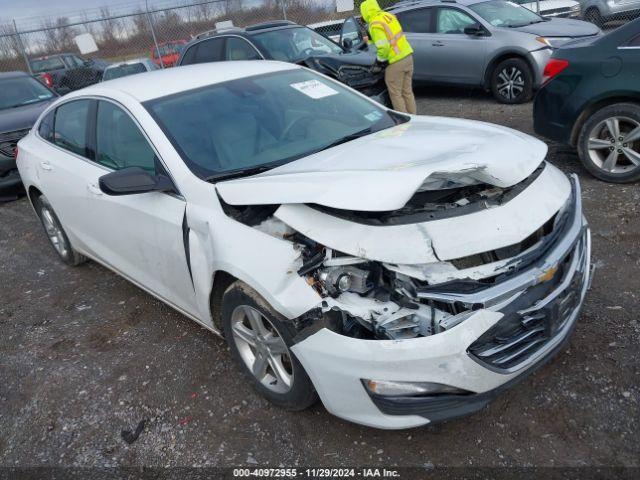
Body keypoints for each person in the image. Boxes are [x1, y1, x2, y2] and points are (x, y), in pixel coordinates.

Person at [360, 0, 417, 114]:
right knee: (407, 92)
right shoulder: (388, 16)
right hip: (407, 56)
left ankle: (404, 124)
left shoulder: (374, 24)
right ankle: (415, 119)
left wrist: (379, 61)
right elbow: (390, 37)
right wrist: (370, 41)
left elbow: (384, 47)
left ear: (365, 11)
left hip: (395, 62)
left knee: (396, 94)